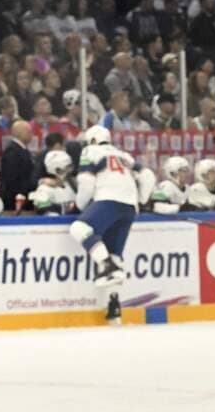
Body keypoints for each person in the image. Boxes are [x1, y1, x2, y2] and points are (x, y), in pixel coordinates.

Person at [70, 125, 138, 323]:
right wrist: (141, 199)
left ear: (91, 140)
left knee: (79, 228)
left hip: (108, 199)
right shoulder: (122, 154)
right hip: (130, 206)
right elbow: (147, 175)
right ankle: (113, 309)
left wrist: (80, 205)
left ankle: (106, 266)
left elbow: (85, 183)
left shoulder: (90, 151)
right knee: (114, 253)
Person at [0, 120, 37, 209]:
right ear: (17, 132)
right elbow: (11, 178)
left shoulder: (22, 149)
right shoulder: (12, 151)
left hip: (25, 197)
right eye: (28, 131)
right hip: (15, 200)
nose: (31, 134)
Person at [29, 150, 76, 215]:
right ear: (58, 170)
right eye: (68, 167)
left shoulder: (73, 185)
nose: (71, 170)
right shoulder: (43, 189)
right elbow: (43, 210)